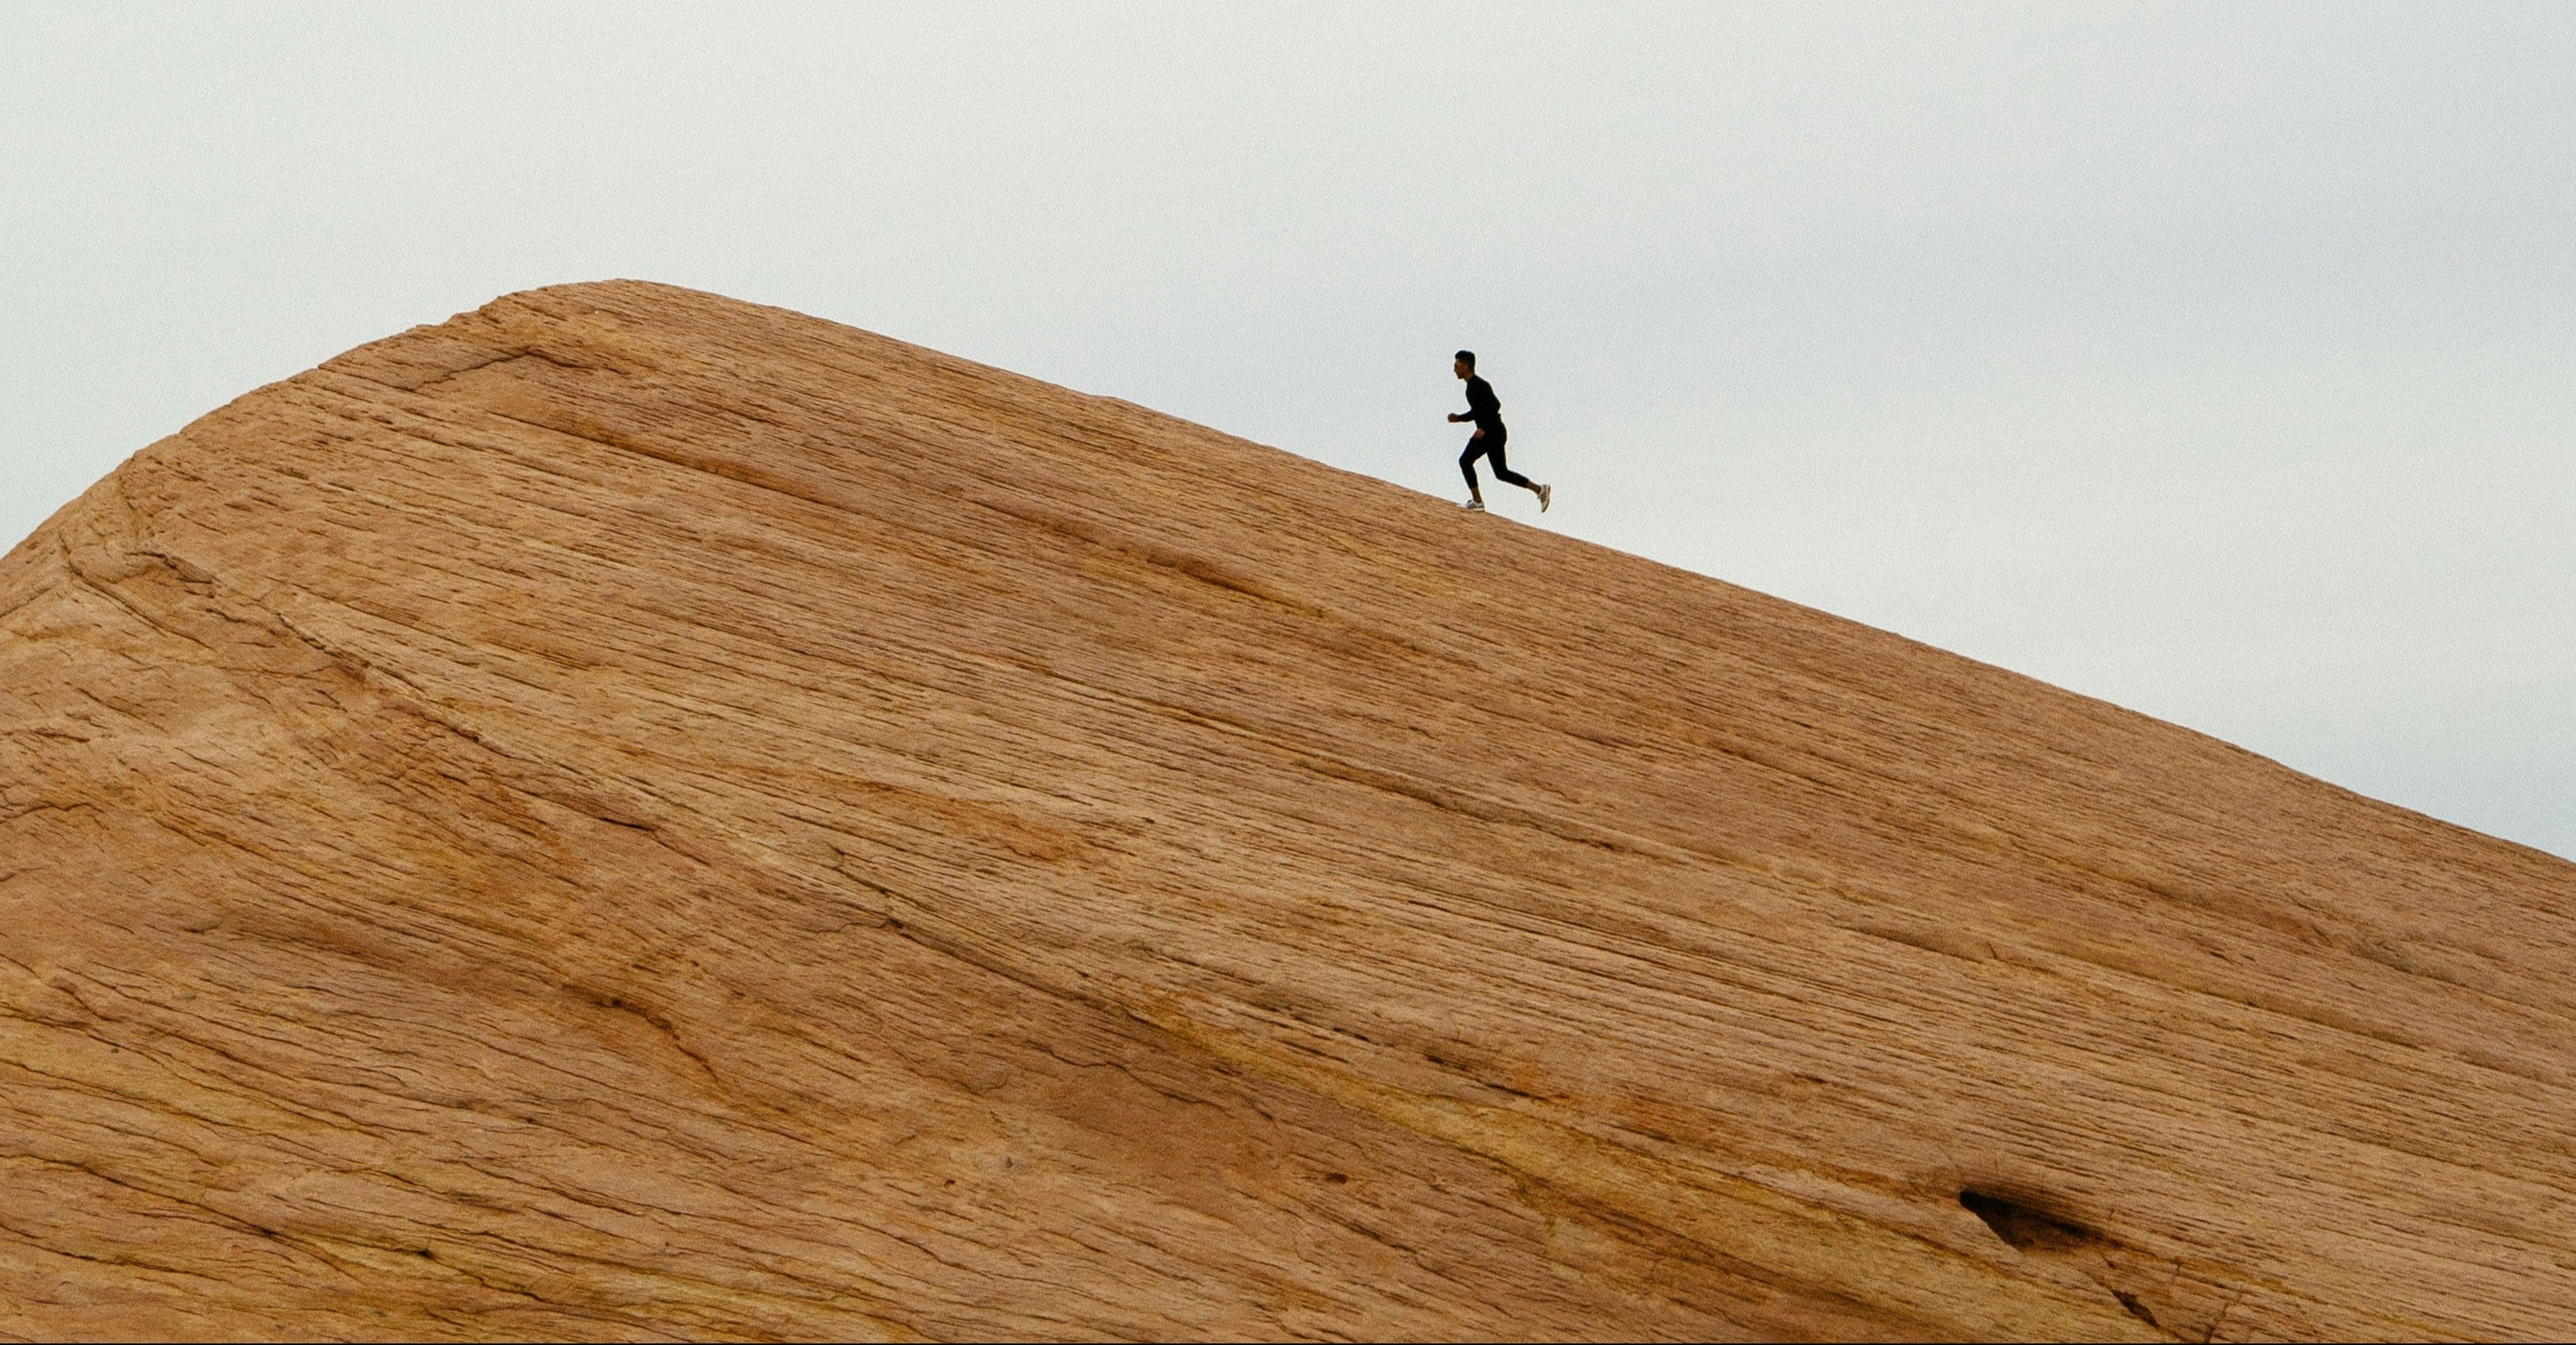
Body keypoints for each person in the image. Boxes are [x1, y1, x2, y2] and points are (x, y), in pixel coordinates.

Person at [1448, 350, 1550, 513]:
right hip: (1494, 432)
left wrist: (1484, 428)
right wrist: (1459, 418)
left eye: (1456, 365)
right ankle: (1539, 489)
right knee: (1501, 472)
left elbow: (1495, 405)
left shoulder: (1477, 385)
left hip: (1492, 432)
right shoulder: (1471, 387)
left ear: (1466, 365)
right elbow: (1477, 412)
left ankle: (1477, 502)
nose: (1454, 369)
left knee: (1465, 461)